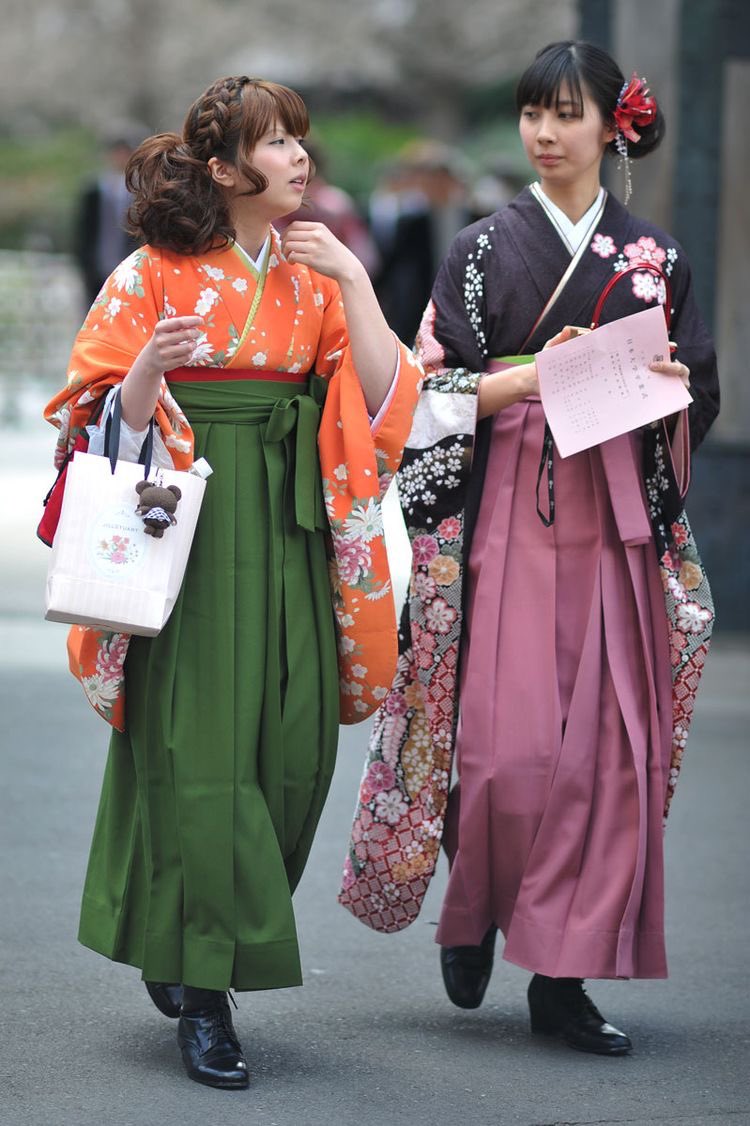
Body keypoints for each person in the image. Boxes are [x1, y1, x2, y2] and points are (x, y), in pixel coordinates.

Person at [339, 41, 719, 1056]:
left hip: (611, 519)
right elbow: (429, 384)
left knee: (602, 758)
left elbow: (699, 386)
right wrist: (519, 381)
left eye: (565, 114)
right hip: (504, 507)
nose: (544, 133)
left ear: (612, 126)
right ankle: (477, 906)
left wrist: (668, 382)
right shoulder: (477, 250)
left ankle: (564, 975)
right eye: (530, 114)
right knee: (503, 754)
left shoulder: (658, 260)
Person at [43, 76, 423, 1089]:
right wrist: (145, 377)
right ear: (224, 169)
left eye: (301, 138)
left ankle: (188, 936)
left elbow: (384, 402)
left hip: (293, 519)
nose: (301, 155)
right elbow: (91, 415)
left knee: (292, 753)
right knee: (202, 753)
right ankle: (206, 992)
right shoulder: (151, 274)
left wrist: (354, 279)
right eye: (277, 141)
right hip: (191, 531)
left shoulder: (311, 277)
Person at [74, 127, 144, 306]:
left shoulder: (141, 191)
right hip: (97, 267)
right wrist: (85, 264)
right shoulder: (93, 190)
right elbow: (83, 231)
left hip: (131, 267)